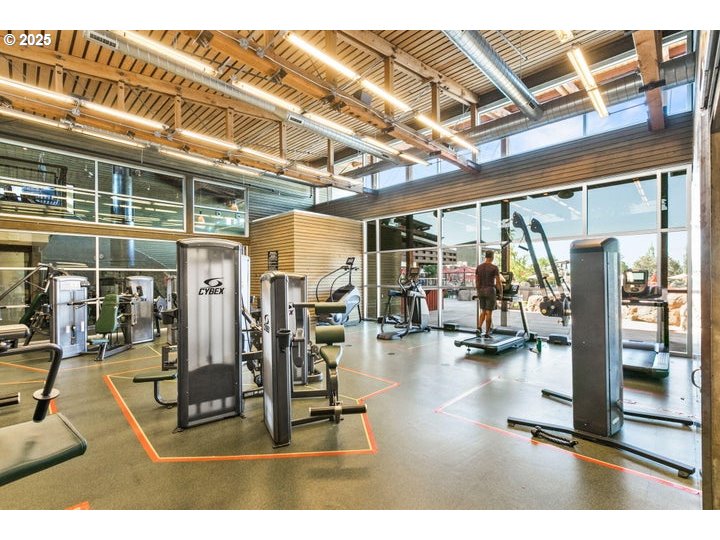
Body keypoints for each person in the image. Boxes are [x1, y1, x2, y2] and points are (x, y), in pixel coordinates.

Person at [475, 250, 503, 338]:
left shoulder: (479, 267)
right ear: (492, 257)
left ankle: (479, 328)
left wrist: (478, 291)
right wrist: (501, 293)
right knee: (489, 313)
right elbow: (498, 282)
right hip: (490, 291)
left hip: (481, 291)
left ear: (485, 256)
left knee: (483, 311)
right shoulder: (494, 267)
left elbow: (477, 281)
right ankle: (487, 333)